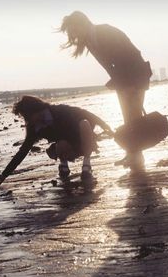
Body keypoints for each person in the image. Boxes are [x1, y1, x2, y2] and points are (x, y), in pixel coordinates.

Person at [59, 11, 152, 171]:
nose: (73, 35)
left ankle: (137, 157)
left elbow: (129, 56)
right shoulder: (89, 40)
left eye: (73, 30)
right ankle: (133, 154)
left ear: (81, 24)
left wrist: (129, 84)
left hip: (135, 76)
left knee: (134, 117)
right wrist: (118, 83)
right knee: (128, 118)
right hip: (122, 80)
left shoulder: (104, 31)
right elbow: (109, 65)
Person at [0, 95, 113, 185]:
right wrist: (4, 175)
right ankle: (63, 165)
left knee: (84, 123)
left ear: (35, 110)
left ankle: (87, 165)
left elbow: (88, 114)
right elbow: (23, 151)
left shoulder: (59, 110)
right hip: (64, 148)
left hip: (82, 142)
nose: (27, 120)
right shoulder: (34, 128)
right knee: (61, 143)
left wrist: (106, 127)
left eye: (27, 116)